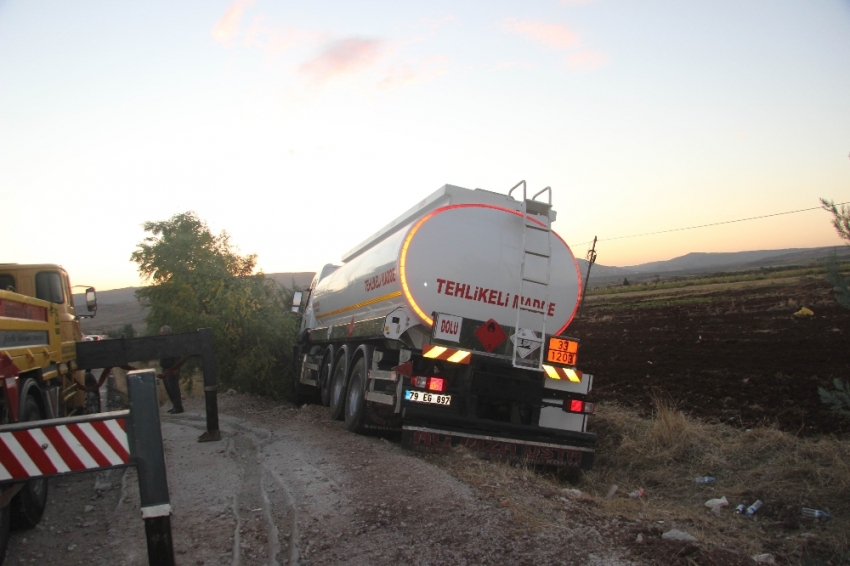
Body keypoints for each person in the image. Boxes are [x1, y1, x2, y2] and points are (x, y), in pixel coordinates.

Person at [158, 325, 184, 414]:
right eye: (162, 333)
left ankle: (178, 407)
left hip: (172, 368)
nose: (163, 335)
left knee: (173, 388)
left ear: (169, 333)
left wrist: (176, 368)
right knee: (168, 388)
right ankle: (174, 406)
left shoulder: (173, 342)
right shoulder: (162, 343)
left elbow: (177, 356)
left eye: (165, 333)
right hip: (165, 368)